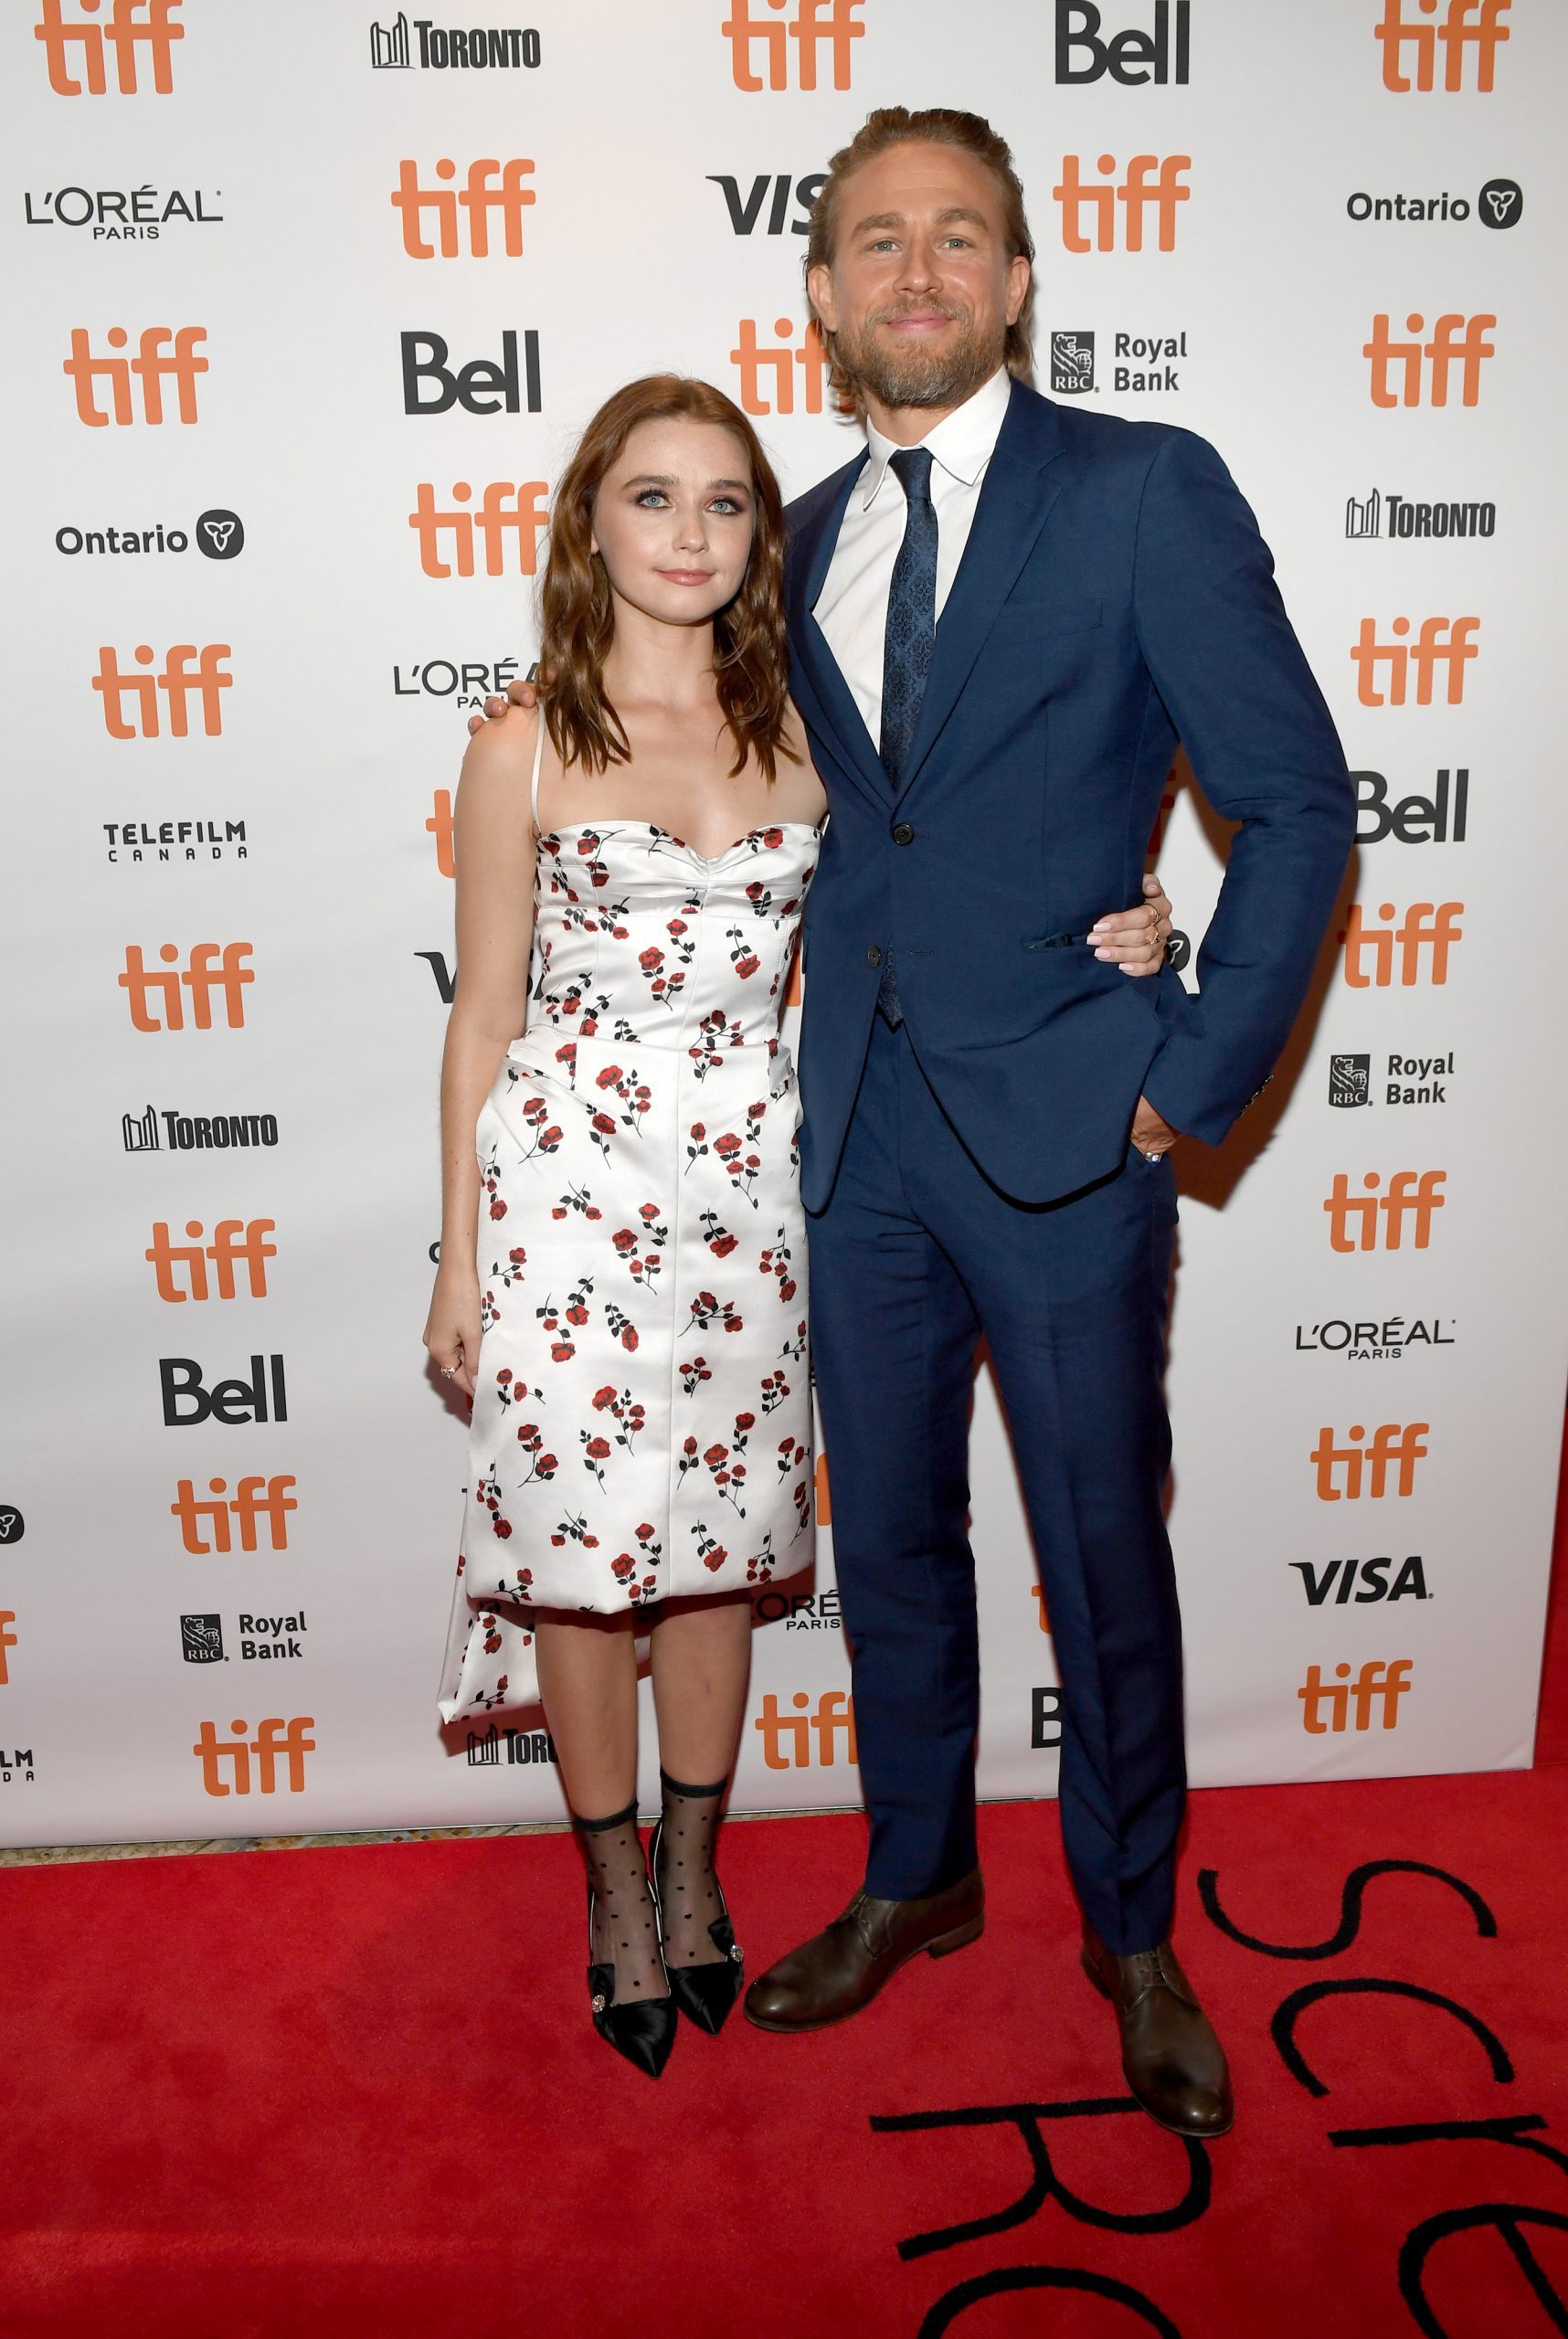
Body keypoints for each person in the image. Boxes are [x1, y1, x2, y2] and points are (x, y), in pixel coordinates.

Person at [480, 106, 1354, 2133]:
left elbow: (1301, 803)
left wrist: (1189, 1071)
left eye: (960, 236)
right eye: (876, 240)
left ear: (1020, 281)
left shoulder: (1142, 488)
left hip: (1072, 1122)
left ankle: (1133, 1933)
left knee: (1097, 1547)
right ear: (821, 294)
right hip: (847, 1134)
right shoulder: (783, 541)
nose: (918, 270)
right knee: (886, 1541)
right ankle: (915, 1871)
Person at [428, 371, 1174, 2080]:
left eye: (726, 502)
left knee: (717, 1549)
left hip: (762, 1193)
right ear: (590, 520)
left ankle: (695, 1874)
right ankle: (614, 1896)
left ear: (762, 536)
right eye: (652, 497)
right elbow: (480, 1015)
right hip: (569, 1200)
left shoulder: (807, 730)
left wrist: (1129, 914)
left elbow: (963, 849)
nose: (690, 534)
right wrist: (461, 1255)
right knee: (584, 1567)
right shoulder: (519, 742)